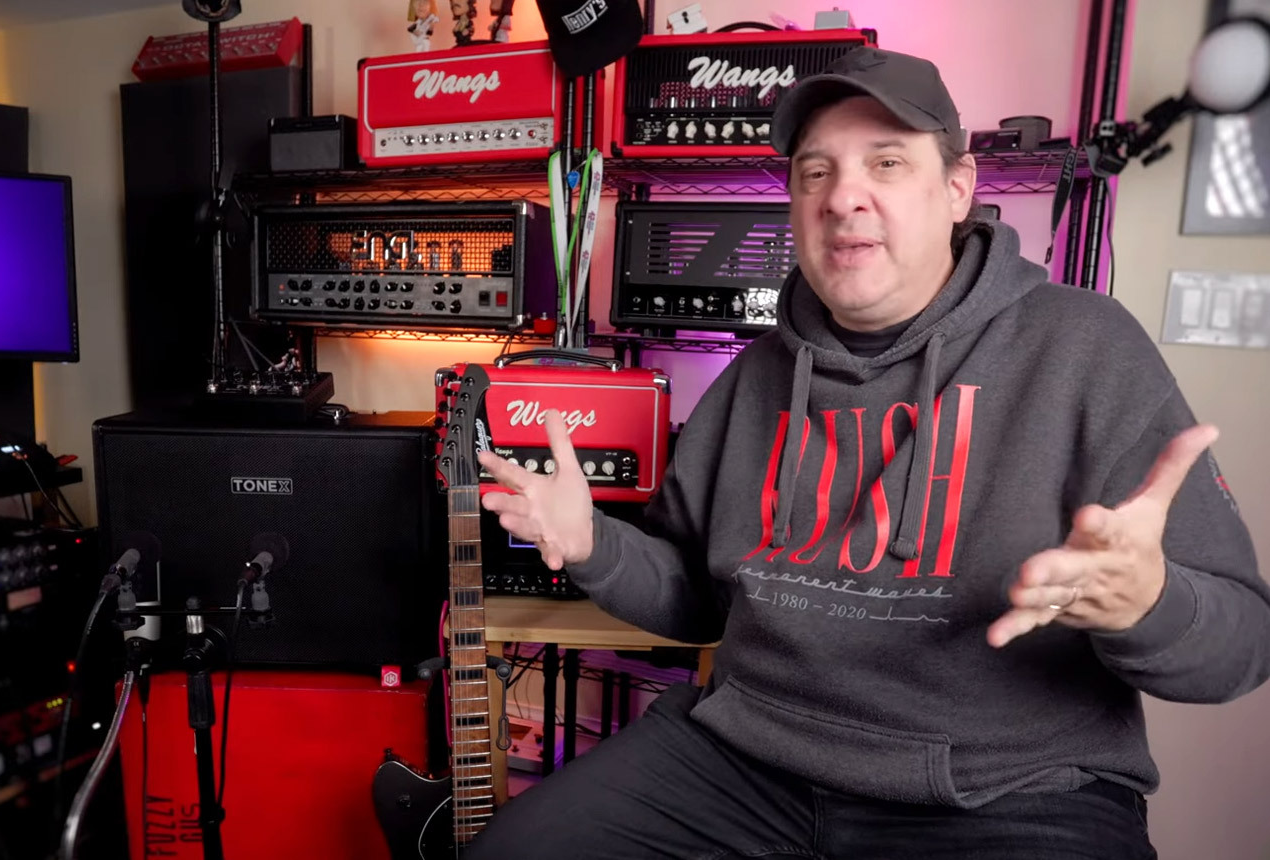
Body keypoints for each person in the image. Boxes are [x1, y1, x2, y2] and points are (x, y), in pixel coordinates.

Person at [466, 47, 1270, 859]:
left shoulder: (1086, 347)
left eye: (886, 163)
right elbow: (696, 604)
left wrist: (1148, 606)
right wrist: (593, 545)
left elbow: (1243, 645)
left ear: (957, 190)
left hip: (1007, 790)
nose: (843, 197)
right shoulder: (754, 376)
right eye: (815, 173)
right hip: (743, 761)